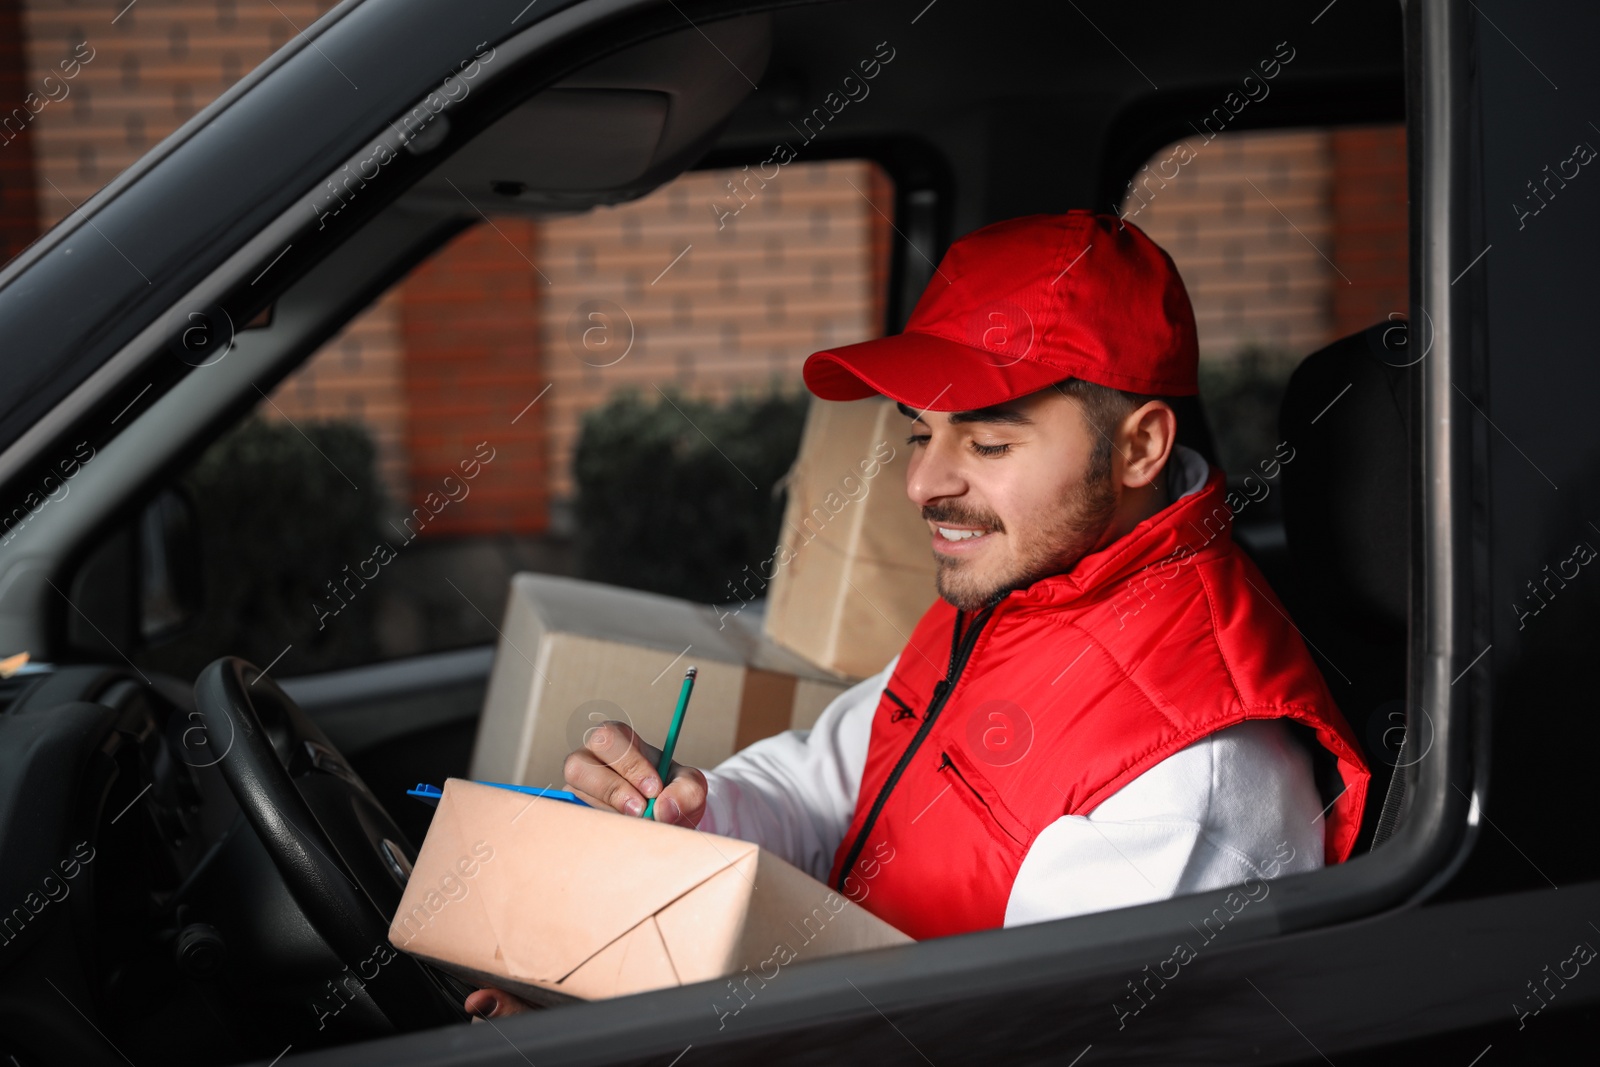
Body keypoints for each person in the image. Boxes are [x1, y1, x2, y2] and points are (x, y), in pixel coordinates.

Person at [464, 210, 1369, 1020]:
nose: (922, 483)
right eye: (918, 432)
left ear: (1138, 448)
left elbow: (1018, 1045)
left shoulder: (1191, 783)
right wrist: (691, 815)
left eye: (987, 440)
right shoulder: (1017, 595)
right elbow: (831, 783)